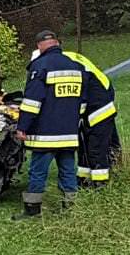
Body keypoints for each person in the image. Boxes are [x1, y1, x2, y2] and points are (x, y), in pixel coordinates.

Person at [14, 31, 88, 218]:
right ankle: (71, 209)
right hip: (69, 133)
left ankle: (32, 210)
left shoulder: (40, 67)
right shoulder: (77, 67)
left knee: (38, 172)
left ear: (39, 46)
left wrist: (22, 127)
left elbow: (32, 102)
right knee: (68, 170)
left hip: (45, 134)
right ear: (57, 43)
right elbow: (83, 102)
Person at [61, 51, 120, 186]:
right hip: (101, 100)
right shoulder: (69, 57)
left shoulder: (69, 66)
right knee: (86, 145)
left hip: (98, 109)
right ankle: (84, 178)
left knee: (96, 148)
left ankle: (100, 183)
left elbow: (78, 96)